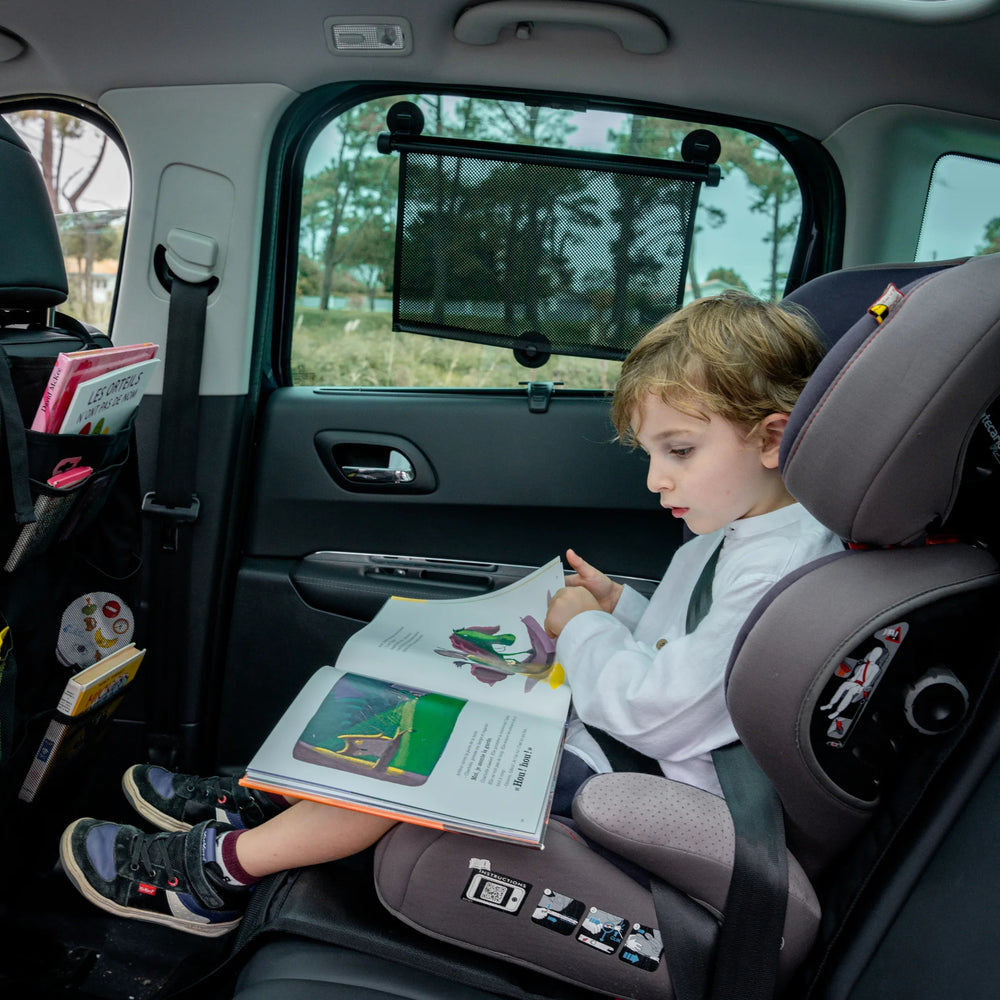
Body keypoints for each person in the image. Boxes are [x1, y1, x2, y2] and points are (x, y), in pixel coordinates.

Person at [59, 290, 843, 937]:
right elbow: (691, 654)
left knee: (421, 750)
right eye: (648, 454)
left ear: (773, 438)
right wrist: (620, 606)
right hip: (634, 749)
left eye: (679, 451)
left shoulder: (776, 562)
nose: (654, 481)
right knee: (420, 690)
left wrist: (586, 629)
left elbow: (665, 711)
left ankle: (215, 878)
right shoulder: (745, 532)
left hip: (656, 790)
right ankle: (261, 800)